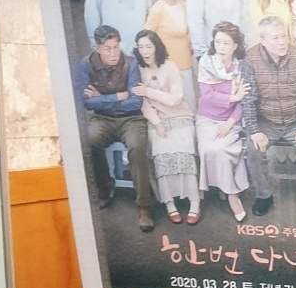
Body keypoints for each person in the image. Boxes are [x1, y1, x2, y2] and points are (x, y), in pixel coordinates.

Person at [242, 16, 296, 220]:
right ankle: (264, 195)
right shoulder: (250, 59)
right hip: (266, 122)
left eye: (284, 36)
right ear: (263, 41)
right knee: (252, 149)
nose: (282, 42)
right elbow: (248, 99)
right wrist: (255, 131)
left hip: (295, 121)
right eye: (275, 38)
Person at [74, 25, 154, 231]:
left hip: (131, 118)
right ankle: (105, 188)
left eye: (116, 47)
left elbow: (135, 102)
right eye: (107, 49)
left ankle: (144, 206)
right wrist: (116, 97)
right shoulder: (85, 65)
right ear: (97, 48)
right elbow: (86, 103)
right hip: (103, 118)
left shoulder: (131, 63)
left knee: (137, 147)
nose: (113, 53)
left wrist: (100, 98)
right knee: (90, 140)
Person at [132, 29, 201, 225]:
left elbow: (175, 99)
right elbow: (143, 104)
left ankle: (194, 202)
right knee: (162, 156)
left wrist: (148, 91)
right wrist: (157, 123)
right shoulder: (137, 70)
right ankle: (170, 203)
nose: (145, 51)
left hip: (180, 115)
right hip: (157, 119)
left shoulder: (170, 66)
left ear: (157, 47)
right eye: (141, 47)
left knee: (184, 154)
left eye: (149, 46)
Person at [196, 21, 252, 223]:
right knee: (209, 149)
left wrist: (229, 123)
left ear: (235, 45)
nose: (221, 47)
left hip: (232, 120)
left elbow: (245, 101)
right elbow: (207, 96)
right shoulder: (206, 62)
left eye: (226, 43)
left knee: (222, 150)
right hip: (207, 119)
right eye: (218, 42)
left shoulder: (242, 66)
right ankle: (230, 191)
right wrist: (232, 97)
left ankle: (231, 195)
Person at [146, 0, 195, 109]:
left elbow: (189, 32)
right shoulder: (158, 8)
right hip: (167, 66)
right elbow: (147, 37)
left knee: (190, 104)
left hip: (186, 63)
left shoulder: (184, 5)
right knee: (172, 107)